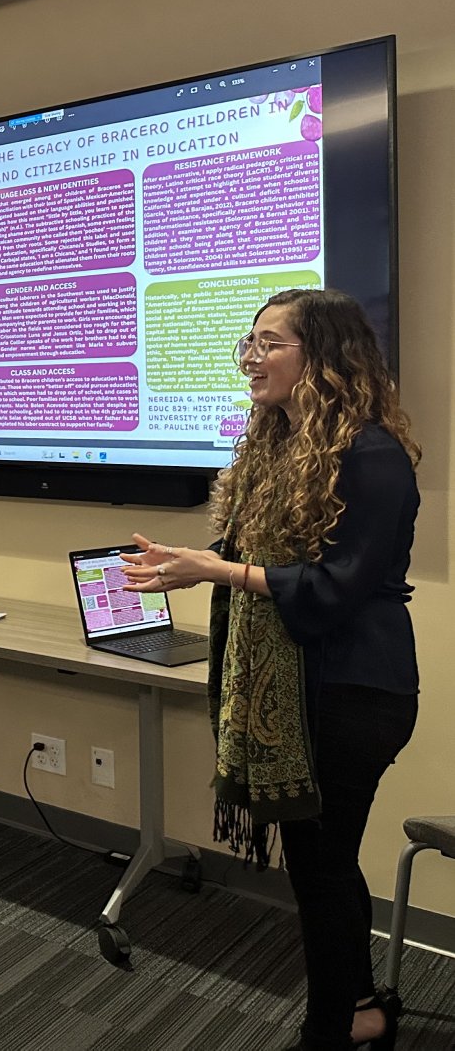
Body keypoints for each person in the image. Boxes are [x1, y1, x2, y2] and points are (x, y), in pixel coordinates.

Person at [120, 289, 419, 1051]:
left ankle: (331, 1030)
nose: (251, 357)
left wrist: (217, 572)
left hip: (352, 688)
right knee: (325, 861)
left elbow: (333, 589)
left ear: (324, 356)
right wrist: (195, 565)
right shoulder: (274, 446)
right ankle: (359, 1009)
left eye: (271, 343)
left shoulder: (372, 452)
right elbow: (263, 561)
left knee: (318, 868)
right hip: (307, 683)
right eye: (248, 342)